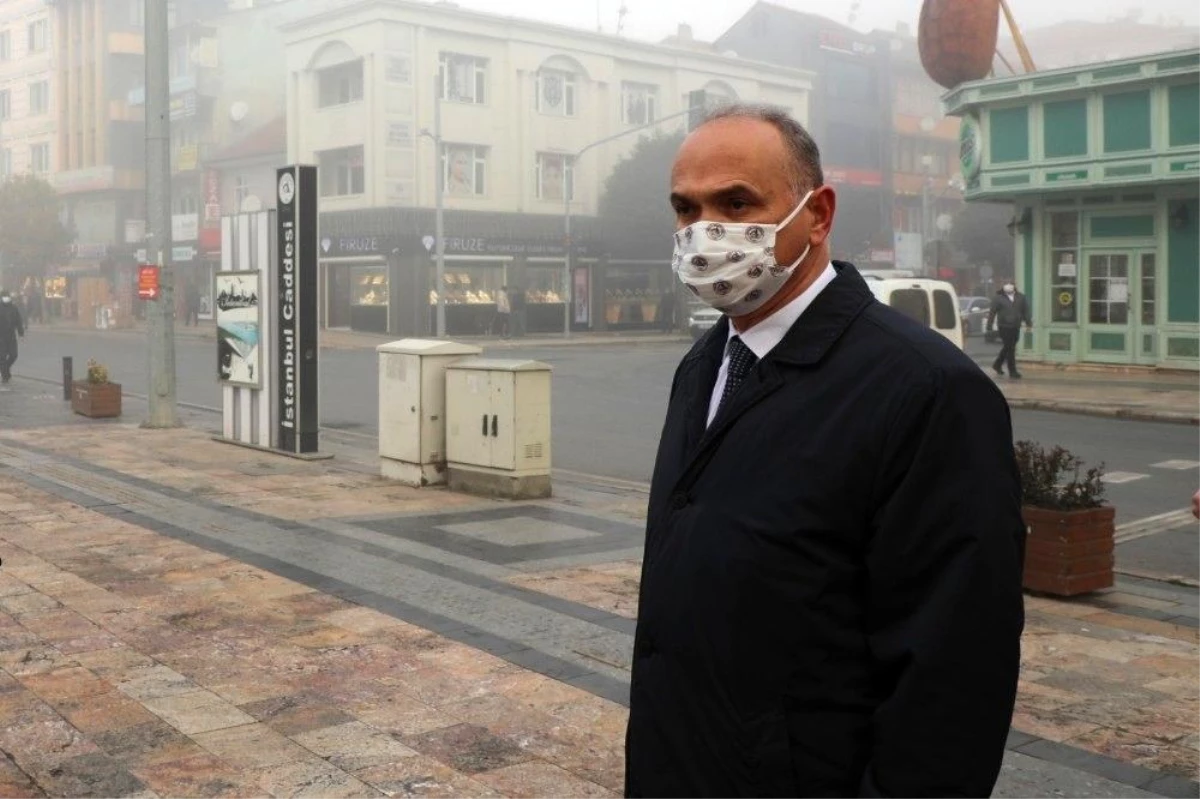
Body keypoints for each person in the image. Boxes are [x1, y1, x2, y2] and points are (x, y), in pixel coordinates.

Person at [626, 105, 1025, 797]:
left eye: (737, 202)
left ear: (818, 213)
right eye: (686, 209)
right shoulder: (704, 364)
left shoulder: (927, 391)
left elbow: (951, 684)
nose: (703, 233)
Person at [987, 280, 1033, 379]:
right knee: (1010, 347)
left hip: (1016, 325)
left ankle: (997, 364)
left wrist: (1029, 323)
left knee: (1009, 347)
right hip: (1004, 326)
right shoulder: (998, 298)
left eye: (1011, 284)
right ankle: (1012, 371)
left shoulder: (1021, 297)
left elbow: (1025, 311)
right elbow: (992, 312)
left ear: (1014, 287)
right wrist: (989, 325)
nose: (1009, 286)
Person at [0, 289, 25, 384]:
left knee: (13, 355)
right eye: (4, 297)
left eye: (7, 296)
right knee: (2, 357)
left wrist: (21, 333)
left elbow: (18, 320)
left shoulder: (13, 308)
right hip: (1, 336)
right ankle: (5, 375)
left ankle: (5, 370)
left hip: (11, 335)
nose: (6, 298)